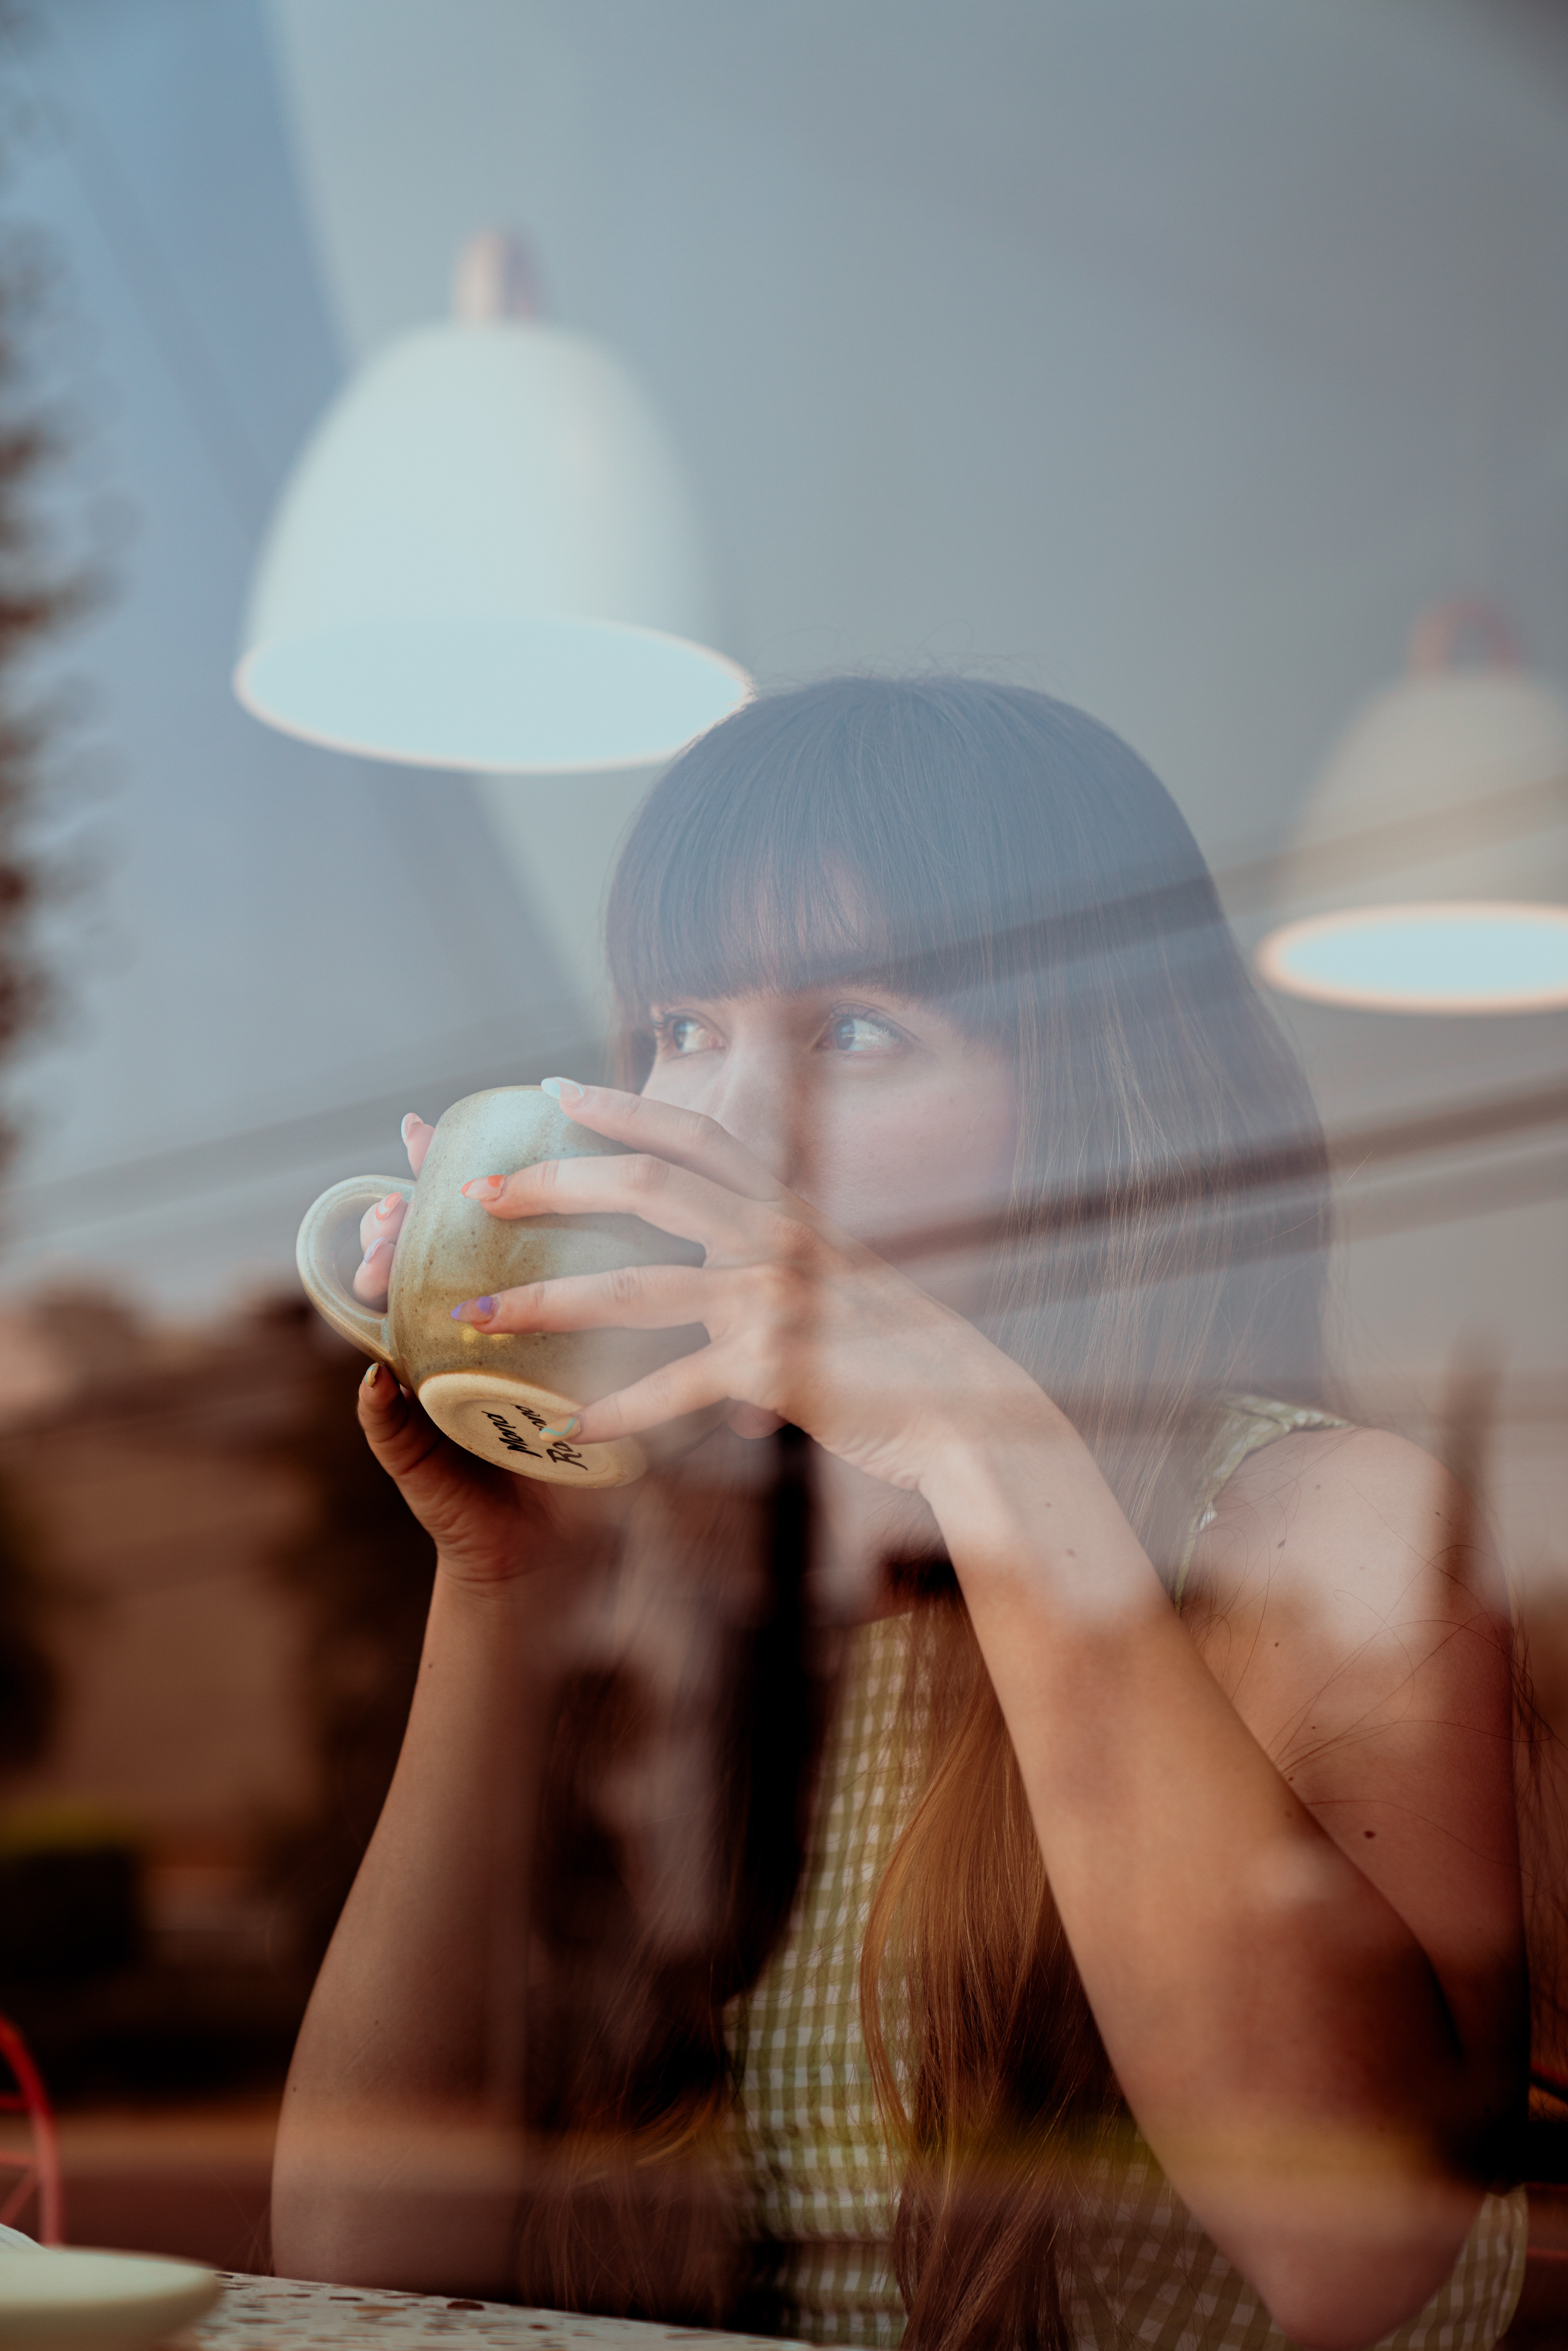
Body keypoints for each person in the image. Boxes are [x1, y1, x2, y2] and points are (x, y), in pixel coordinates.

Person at [271, 679, 1528, 2351]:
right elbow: (354, 2250)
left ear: (1093, 1099)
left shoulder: (1328, 1530)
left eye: (856, 1033)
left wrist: (969, 1435)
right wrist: (505, 1588)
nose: (719, 1125)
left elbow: (1353, 2257)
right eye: (680, 1031)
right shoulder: (689, 1563)